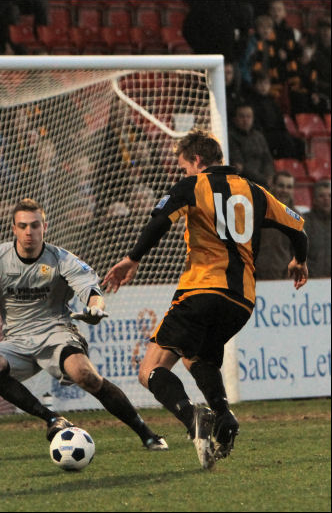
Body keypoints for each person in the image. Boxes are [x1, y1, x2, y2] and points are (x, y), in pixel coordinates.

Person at [102, 130, 308, 470]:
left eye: (184, 167)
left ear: (197, 161)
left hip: (201, 290)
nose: (183, 173)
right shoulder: (255, 190)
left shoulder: (193, 186)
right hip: (241, 301)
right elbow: (298, 227)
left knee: (149, 369)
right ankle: (224, 417)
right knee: (197, 358)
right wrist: (298, 260)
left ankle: (193, 417)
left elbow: (158, 222)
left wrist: (132, 259)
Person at [0, 198, 168, 450]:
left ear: (45, 226)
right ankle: (52, 419)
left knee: (85, 376)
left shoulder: (61, 259)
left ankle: (147, 434)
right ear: (13, 229)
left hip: (56, 334)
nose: (29, 231)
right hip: (17, 340)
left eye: (35, 225)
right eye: (23, 226)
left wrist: (96, 309)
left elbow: (91, 291)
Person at [246, 70, 305, 160]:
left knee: (299, 143)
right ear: (255, 85)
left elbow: (280, 121)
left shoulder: (272, 101)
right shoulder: (251, 102)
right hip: (262, 135)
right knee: (283, 140)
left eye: (266, 83)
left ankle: (295, 166)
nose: (263, 86)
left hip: (276, 133)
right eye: (260, 83)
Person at [254, 171, 299, 280]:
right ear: (272, 185)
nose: (285, 190)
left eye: (289, 187)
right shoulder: (257, 211)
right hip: (257, 278)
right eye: (281, 186)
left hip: (284, 280)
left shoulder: (297, 218)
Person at [228, 103, 275, 187]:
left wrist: (270, 177)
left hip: (263, 182)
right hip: (244, 183)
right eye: (242, 116)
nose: (245, 120)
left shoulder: (259, 136)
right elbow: (239, 167)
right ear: (235, 119)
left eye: (248, 116)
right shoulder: (230, 137)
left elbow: (268, 159)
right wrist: (264, 179)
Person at [304, 180, 331, 278]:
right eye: (321, 196)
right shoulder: (305, 222)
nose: (326, 199)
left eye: (329, 195)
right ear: (314, 200)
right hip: (311, 281)